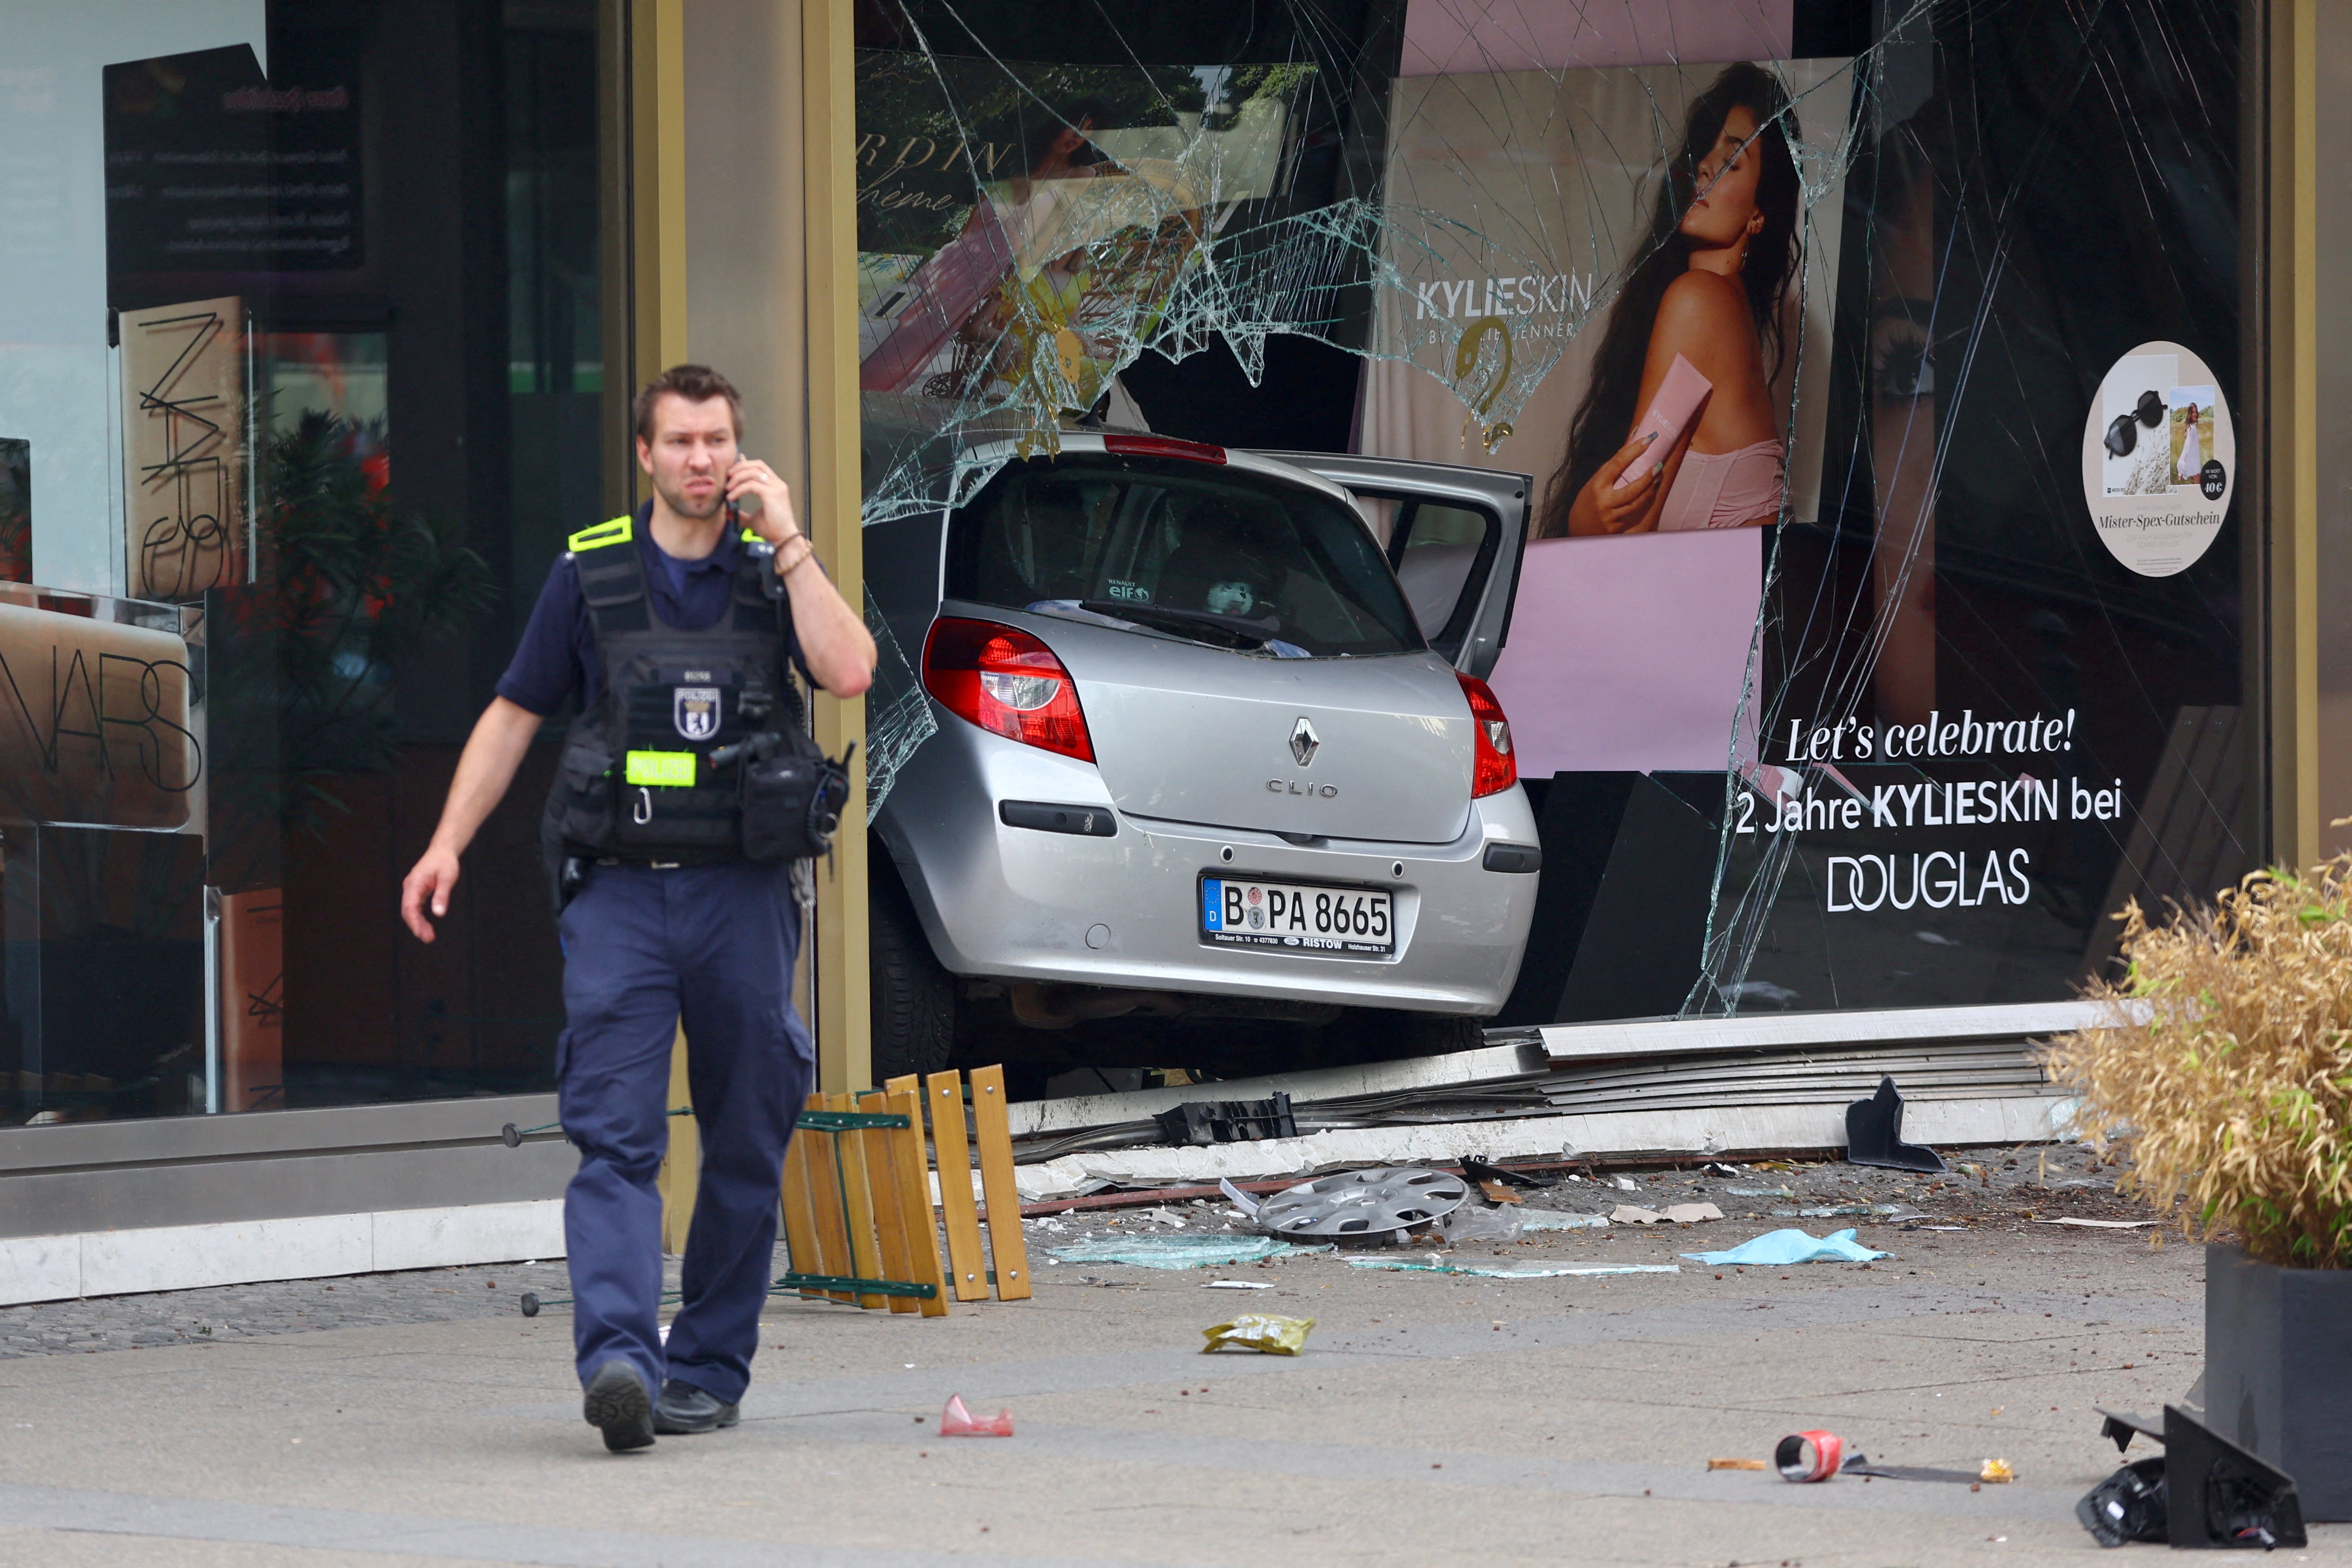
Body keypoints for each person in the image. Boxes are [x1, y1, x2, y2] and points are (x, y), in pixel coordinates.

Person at [398, 365, 876, 1453]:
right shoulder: (590, 575)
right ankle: (619, 1357)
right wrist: (444, 844)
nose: (701, 459)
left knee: (749, 1128)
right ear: (645, 455)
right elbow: (514, 714)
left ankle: (704, 1367)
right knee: (613, 1137)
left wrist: (792, 538)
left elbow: (848, 672)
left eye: (718, 440)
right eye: (680, 440)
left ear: (738, 453)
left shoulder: (771, 573)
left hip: (744, 898)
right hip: (618, 893)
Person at [1540, 62, 1801, 537]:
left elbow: (1624, 526)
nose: (1704, 165)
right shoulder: (1722, 310)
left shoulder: (1701, 301)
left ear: (1760, 211)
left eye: (1732, 160)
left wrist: (1583, 520)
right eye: (1705, 152)